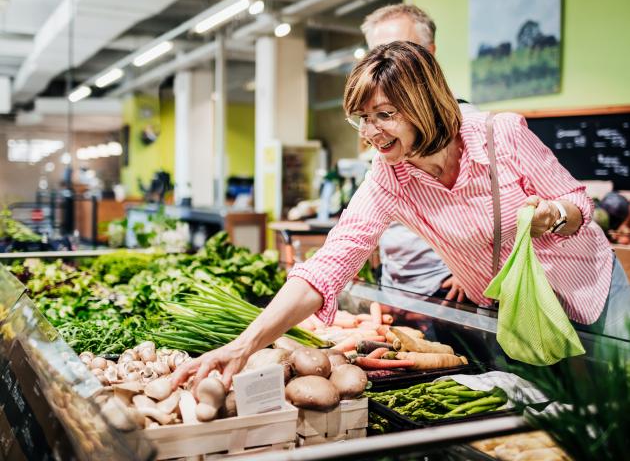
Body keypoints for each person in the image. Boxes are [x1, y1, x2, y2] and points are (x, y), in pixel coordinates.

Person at [174, 41, 630, 390]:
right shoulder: (389, 177)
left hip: (587, 289)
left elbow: (579, 203)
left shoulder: (500, 135)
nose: (371, 133)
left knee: (619, 399)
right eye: (363, 119)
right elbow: (330, 264)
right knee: (554, 420)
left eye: (384, 115)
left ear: (424, 102)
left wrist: (551, 215)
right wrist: (244, 344)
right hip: (518, 314)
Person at [361, 4, 468, 300]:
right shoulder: (380, 133)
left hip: (446, 287)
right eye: (376, 55)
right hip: (397, 283)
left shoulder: (468, 127)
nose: (385, 66)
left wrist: (474, 268)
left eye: (399, 51)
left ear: (429, 54)